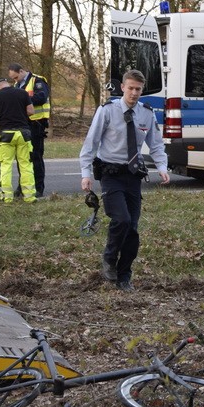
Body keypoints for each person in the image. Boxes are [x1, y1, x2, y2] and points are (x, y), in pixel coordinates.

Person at [79, 70, 170, 291]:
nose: (134, 93)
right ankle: (109, 258)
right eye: (130, 88)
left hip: (133, 176)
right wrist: (85, 173)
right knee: (121, 219)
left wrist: (162, 167)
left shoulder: (147, 114)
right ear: (123, 88)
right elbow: (91, 143)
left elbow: (156, 144)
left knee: (133, 228)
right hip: (111, 175)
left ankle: (124, 275)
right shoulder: (107, 111)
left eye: (138, 89)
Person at [0, 77, 36, 203]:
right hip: (23, 133)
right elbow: (31, 111)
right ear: (8, 83)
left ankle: (7, 197)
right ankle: (29, 196)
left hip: (6, 134)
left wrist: (0, 120)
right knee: (26, 165)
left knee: (5, 165)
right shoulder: (22, 93)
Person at [7, 63, 51, 197]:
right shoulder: (17, 85)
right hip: (23, 124)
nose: (15, 80)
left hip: (37, 123)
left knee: (36, 156)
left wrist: (22, 100)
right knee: (23, 158)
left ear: (21, 71)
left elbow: (41, 97)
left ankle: (38, 188)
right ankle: (23, 187)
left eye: (15, 77)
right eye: (13, 79)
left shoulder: (37, 80)